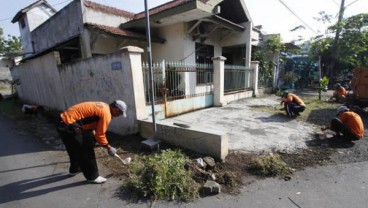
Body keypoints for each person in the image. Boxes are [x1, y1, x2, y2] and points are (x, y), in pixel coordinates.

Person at [56, 100, 127, 184]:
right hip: (70, 125)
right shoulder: (106, 114)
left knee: (74, 148)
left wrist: (92, 132)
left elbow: (89, 119)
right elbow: (100, 135)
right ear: (116, 110)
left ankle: (75, 169)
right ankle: (93, 177)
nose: (119, 116)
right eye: (120, 113)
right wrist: (109, 147)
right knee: (86, 149)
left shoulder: (103, 106)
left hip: (63, 122)